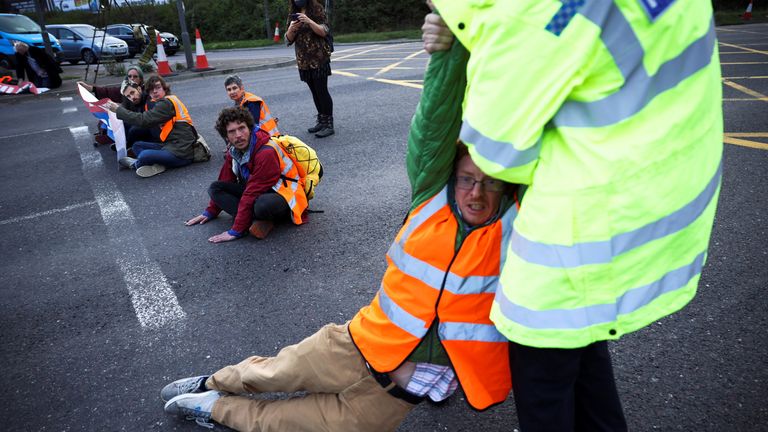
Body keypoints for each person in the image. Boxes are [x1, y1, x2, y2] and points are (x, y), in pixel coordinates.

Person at [162, 41, 517, 431]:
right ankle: (212, 381)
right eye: (467, 179)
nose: (477, 193)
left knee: (279, 423)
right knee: (271, 375)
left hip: (389, 400)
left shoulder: (516, 230)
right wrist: (454, 44)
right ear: (450, 176)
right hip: (353, 346)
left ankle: (211, 407)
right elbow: (435, 124)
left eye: (491, 183)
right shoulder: (432, 199)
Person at [423, 1, 723, 431]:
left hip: (575, 242)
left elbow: (497, 155)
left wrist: (471, 43)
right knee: (589, 378)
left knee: (548, 393)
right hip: (660, 202)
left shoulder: (531, 13)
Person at [185, 107, 307, 242]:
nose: (238, 135)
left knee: (261, 205)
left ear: (250, 128)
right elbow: (225, 179)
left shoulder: (266, 151)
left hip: (285, 194)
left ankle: (258, 220)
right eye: (232, 131)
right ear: (226, 136)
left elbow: (252, 192)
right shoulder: (234, 150)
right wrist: (211, 211)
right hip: (258, 191)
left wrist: (236, 230)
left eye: (242, 128)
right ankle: (256, 221)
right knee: (215, 188)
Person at [105, 75, 196, 178]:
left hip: (182, 152)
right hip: (169, 145)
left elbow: (143, 120)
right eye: (151, 90)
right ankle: (160, 164)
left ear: (164, 88)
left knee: (145, 155)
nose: (155, 92)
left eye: (157, 87)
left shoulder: (166, 103)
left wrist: (118, 110)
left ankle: (135, 164)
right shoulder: (160, 102)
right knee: (137, 146)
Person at [285, 0, 335, 138]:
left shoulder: (317, 9)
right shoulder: (293, 13)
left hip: (319, 58)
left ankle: (329, 124)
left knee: (321, 90)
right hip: (303, 61)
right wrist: (292, 28)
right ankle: (321, 120)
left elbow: (324, 31)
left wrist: (309, 21)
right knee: (314, 91)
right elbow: (288, 40)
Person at [78, 66, 145, 146]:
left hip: (138, 119)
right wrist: (91, 88)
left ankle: (125, 143)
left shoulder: (145, 91)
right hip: (127, 115)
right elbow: (109, 91)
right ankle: (108, 136)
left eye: (135, 76)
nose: (132, 78)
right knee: (107, 117)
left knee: (126, 125)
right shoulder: (124, 89)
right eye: (129, 76)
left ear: (140, 79)